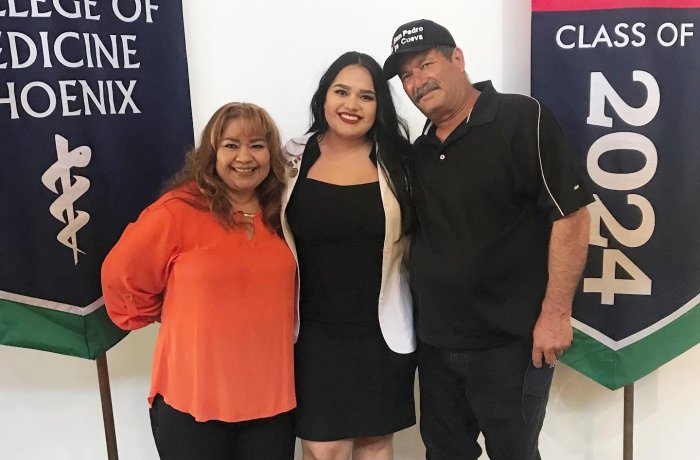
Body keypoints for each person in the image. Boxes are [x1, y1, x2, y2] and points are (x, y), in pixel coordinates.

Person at [383, 19, 593, 460]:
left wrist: (556, 315)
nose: (417, 82)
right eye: (406, 76)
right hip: (436, 346)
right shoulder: (417, 151)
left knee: (514, 454)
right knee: (443, 454)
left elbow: (570, 217)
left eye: (426, 65)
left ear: (457, 59)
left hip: (511, 346)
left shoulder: (521, 117)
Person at [101, 102, 296, 460]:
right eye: (231, 144)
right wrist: (168, 311)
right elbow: (120, 275)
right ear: (211, 153)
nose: (244, 157)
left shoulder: (284, 213)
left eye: (257, 144)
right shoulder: (178, 211)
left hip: (271, 404)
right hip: (192, 401)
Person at [282, 51, 416, 460]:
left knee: (374, 444)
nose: (352, 105)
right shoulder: (291, 155)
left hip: (381, 330)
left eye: (366, 96)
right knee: (324, 448)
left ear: (380, 106)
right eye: (341, 91)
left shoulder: (400, 161)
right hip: (312, 334)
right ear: (324, 97)